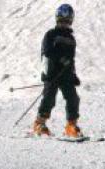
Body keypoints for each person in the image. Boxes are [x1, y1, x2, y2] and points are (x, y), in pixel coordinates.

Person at [33, 4, 83, 138]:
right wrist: (60, 59)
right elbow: (47, 52)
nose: (64, 24)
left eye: (67, 21)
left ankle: (71, 125)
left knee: (73, 98)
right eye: (61, 21)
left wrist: (73, 75)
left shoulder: (71, 39)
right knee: (49, 98)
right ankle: (39, 123)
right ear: (57, 20)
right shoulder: (51, 35)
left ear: (71, 21)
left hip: (66, 74)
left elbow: (71, 59)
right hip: (52, 72)